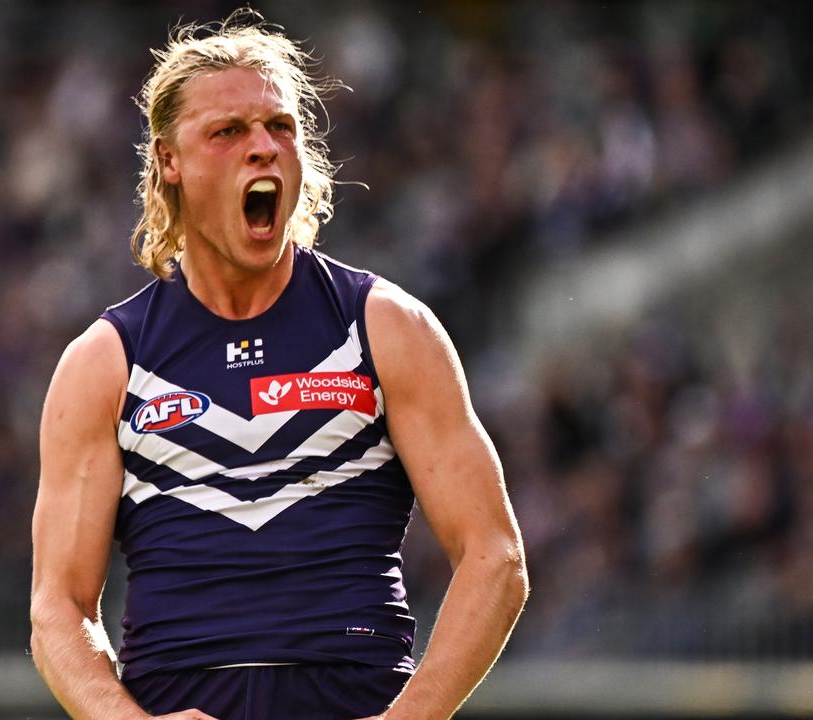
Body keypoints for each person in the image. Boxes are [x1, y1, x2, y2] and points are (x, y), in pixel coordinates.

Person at [30, 10, 527, 719]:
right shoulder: (105, 363)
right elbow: (58, 609)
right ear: (169, 160)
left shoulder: (386, 328)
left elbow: (495, 556)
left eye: (280, 127)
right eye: (228, 132)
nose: (262, 148)